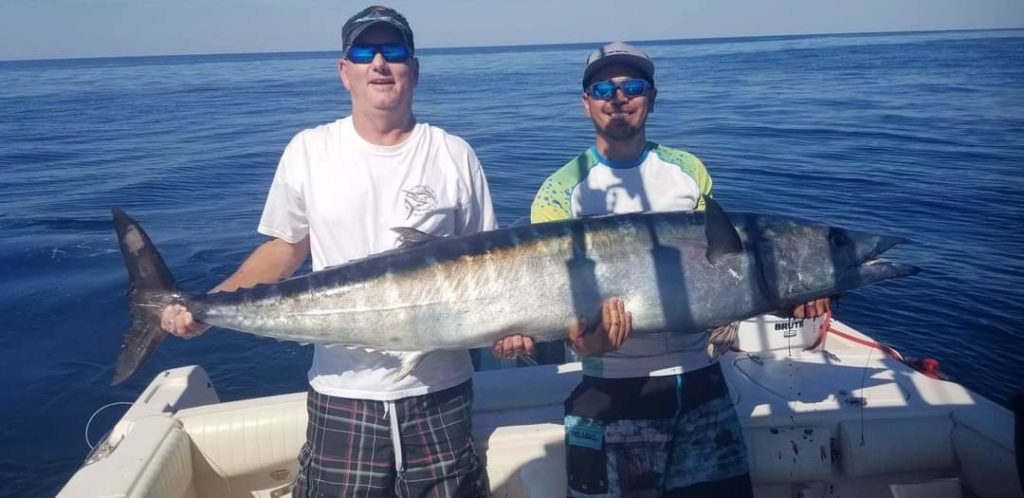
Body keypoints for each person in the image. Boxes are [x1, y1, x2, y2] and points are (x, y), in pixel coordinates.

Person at [161, 6, 492, 497]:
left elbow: (488, 271)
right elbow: (284, 250)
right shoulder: (309, 150)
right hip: (342, 392)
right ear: (345, 71)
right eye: (364, 52)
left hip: (439, 394)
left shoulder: (453, 155)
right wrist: (207, 306)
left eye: (393, 51)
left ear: (414, 69)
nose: (379, 63)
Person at [493, 41, 828, 497]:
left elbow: (722, 272)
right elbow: (555, 300)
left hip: (701, 384)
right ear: (586, 101)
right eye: (602, 88)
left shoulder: (688, 170)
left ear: (651, 96)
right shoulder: (560, 191)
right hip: (609, 391)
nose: (618, 97)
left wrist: (796, 292)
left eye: (632, 86)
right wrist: (583, 340)